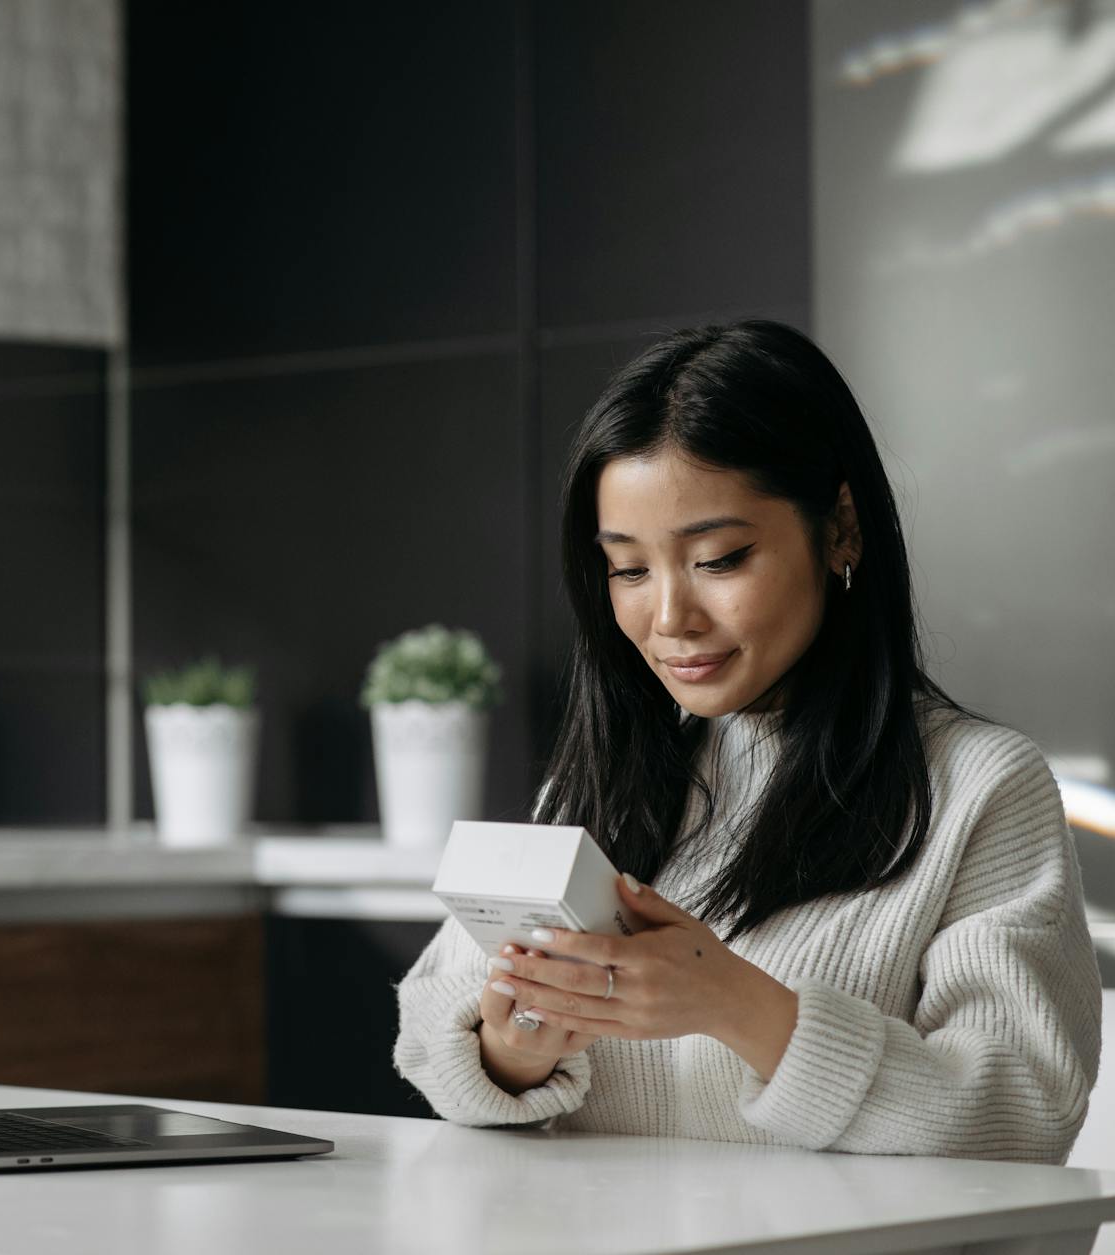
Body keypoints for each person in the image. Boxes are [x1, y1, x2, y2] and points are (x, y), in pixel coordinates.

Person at [393, 319, 1100, 1164]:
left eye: (720, 558)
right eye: (628, 568)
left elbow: (1021, 1111)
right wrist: (515, 1051)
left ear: (840, 526)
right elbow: (432, 1024)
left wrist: (736, 1003)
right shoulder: (603, 781)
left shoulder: (979, 787)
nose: (668, 619)